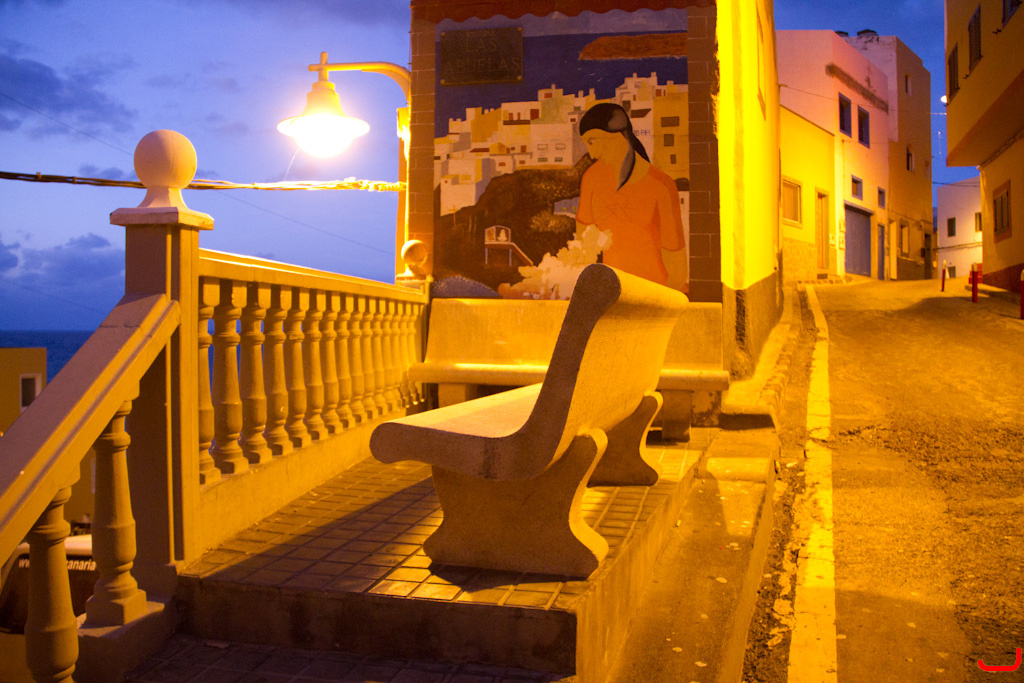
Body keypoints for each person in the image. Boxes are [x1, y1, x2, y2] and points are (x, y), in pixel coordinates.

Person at [575, 102, 686, 286]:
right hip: (612, 293)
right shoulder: (591, 178)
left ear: (618, 135)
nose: (592, 154)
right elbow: (582, 251)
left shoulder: (661, 186)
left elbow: (677, 270)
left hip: (655, 292)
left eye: (592, 141)